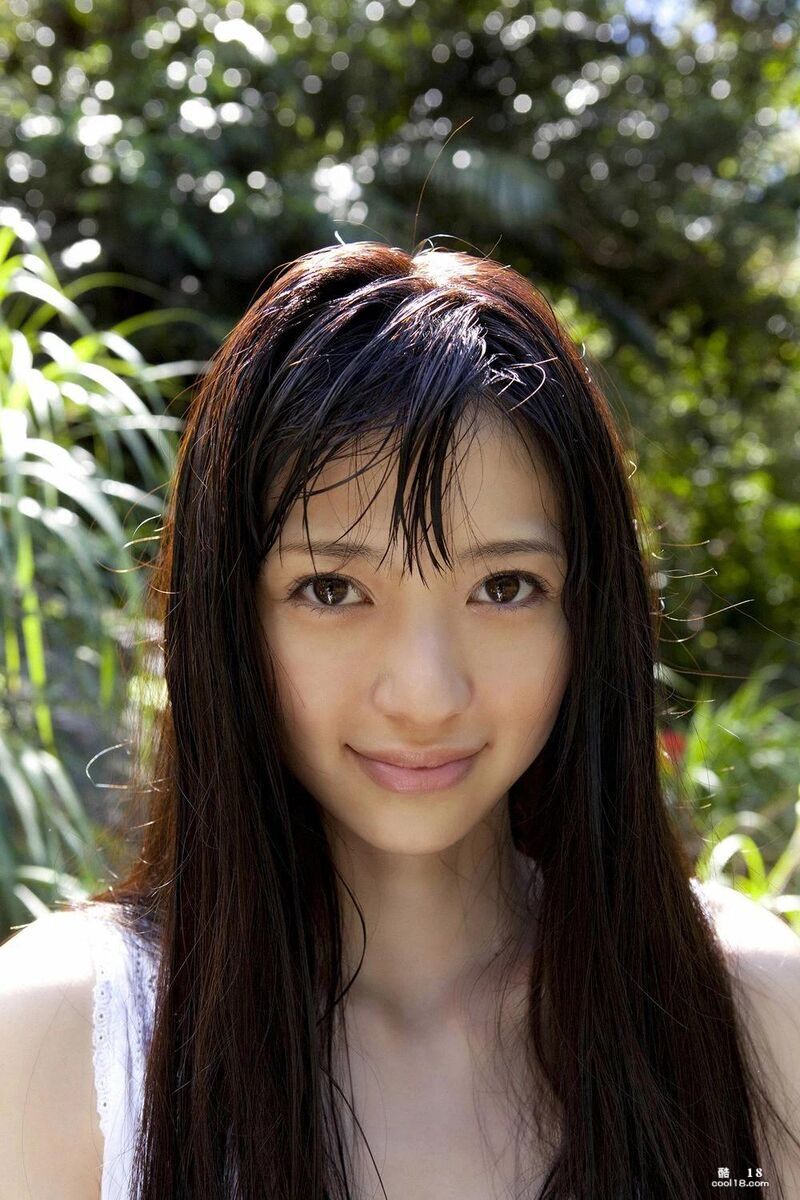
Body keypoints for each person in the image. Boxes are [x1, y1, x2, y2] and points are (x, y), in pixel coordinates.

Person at [1, 240, 799, 1200]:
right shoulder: (66, 1043)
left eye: (504, 587)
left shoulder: (755, 1019)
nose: (425, 696)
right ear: (228, 619)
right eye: (331, 590)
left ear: (589, 617)